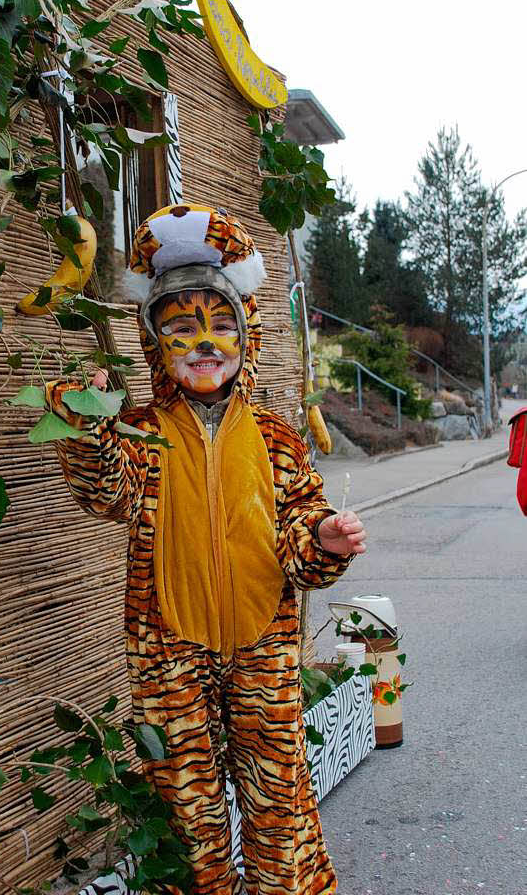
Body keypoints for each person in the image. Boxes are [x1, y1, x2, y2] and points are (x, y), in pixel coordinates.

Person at [45, 204, 366, 895]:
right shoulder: (139, 431)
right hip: (167, 650)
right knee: (185, 810)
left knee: (278, 799)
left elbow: (298, 530)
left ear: (244, 337)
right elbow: (108, 495)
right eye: (182, 327)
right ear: (153, 339)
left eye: (222, 324)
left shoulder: (276, 437)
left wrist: (322, 539)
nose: (205, 342)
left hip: (263, 644)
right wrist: (88, 427)